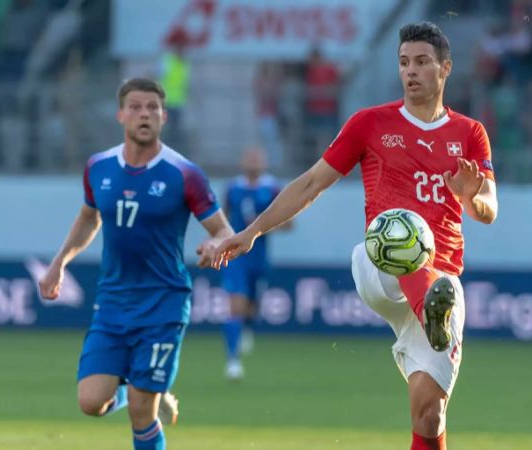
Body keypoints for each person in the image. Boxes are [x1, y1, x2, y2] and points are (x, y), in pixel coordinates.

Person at [214, 22, 498, 450]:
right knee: (402, 239)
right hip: (378, 265)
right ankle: (428, 302)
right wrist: (253, 231)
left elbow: (489, 210)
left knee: (429, 413)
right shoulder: (370, 124)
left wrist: (469, 198)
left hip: (445, 279)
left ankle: (431, 309)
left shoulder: (470, 134)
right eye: (404, 63)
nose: (411, 71)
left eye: (422, 62)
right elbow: (311, 184)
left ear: (445, 69)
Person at [38, 77, 233, 450]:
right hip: (113, 302)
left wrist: (214, 243)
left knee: (143, 413)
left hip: (163, 303)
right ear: (121, 115)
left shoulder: (183, 173)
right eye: (136, 107)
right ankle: (132, 390)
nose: (144, 114)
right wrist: (60, 261)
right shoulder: (98, 167)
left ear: (163, 117)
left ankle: (144, 395)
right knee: (91, 402)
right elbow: (88, 217)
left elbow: (224, 229)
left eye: (152, 108)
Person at [220, 147, 287, 381]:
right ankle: (232, 360)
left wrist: (260, 229)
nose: (253, 162)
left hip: (259, 257)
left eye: (257, 158)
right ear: (242, 162)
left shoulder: (271, 188)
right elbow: (223, 219)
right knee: (236, 306)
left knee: (252, 307)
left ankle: (247, 328)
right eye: (249, 157)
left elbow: (288, 222)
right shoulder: (233, 188)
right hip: (236, 257)